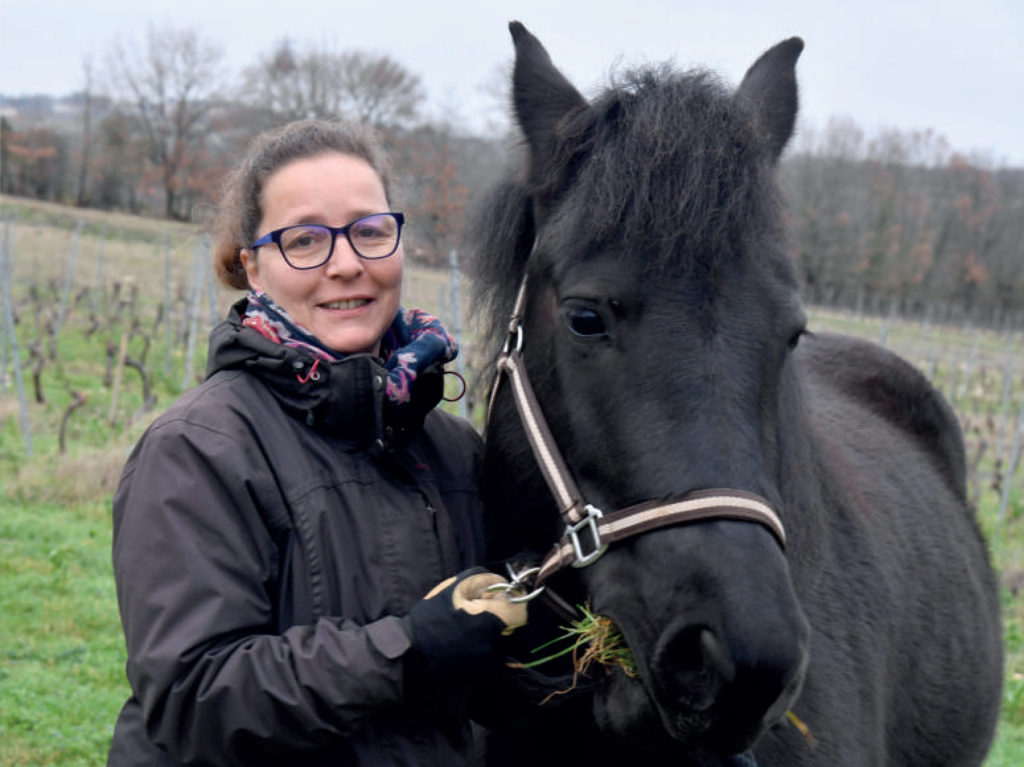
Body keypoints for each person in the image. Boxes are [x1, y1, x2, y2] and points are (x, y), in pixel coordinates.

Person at [107, 119, 526, 767]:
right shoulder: (199, 449)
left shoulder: (455, 450)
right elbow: (192, 698)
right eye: (304, 239)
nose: (347, 263)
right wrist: (406, 650)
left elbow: (502, 687)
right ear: (253, 268)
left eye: (370, 230)